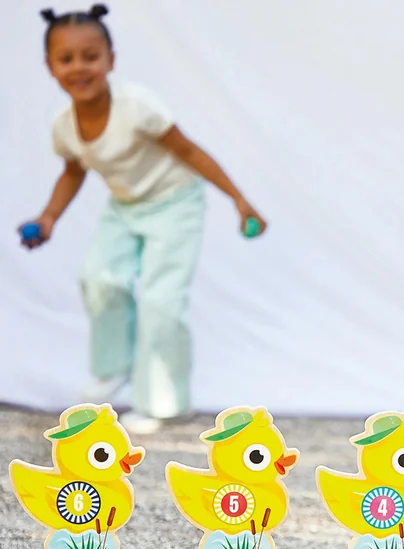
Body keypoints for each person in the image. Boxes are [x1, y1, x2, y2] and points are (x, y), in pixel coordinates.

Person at [20, 4, 267, 434]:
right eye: (66, 59)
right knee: (99, 277)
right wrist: (48, 218)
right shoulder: (64, 127)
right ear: (50, 67)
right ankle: (112, 367)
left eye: (90, 57)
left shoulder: (137, 107)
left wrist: (238, 200)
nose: (79, 67)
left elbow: (188, 151)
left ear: (110, 60)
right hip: (125, 208)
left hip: (175, 203)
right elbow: (73, 172)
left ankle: (164, 403)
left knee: (161, 301)